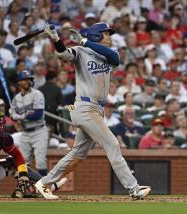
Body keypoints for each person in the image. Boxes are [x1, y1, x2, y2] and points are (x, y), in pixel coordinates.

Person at [36, 22, 151, 200]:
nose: (110, 37)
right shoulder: (81, 52)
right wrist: (56, 38)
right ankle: (133, 188)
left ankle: (44, 183)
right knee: (112, 144)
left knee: (78, 153)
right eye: (106, 34)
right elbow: (63, 54)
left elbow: (115, 58)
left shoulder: (107, 55)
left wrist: (83, 40)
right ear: (97, 35)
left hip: (97, 109)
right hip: (85, 107)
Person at [9, 70, 49, 177]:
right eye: (24, 79)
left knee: (40, 161)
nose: (27, 81)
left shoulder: (37, 94)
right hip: (25, 133)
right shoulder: (16, 99)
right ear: (19, 82)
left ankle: (44, 187)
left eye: (29, 79)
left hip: (39, 131)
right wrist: (12, 115)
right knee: (22, 162)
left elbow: (38, 114)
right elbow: (13, 114)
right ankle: (25, 186)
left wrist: (21, 116)